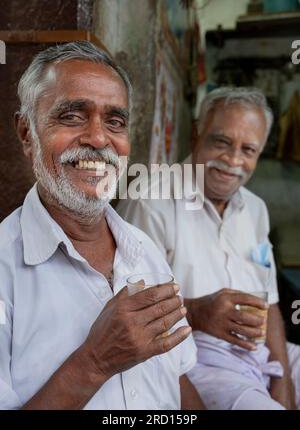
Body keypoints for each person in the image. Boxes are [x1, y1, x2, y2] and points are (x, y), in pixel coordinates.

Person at [0, 41, 204, 410]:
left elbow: (177, 375)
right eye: (72, 116)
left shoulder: (144, 250)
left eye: (115, 122)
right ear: (27, 133)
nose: (98, 139)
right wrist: (94, 363)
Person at [118, 87, 300, 410]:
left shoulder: (256, 209)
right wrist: (198, 313)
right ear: (196, 135)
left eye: (248, 149)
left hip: (261, 353)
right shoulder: (152, 200)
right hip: (196, 359)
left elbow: (270, 304)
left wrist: (283, 381)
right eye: (222, 142)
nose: (233, 161)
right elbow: (126, 311)